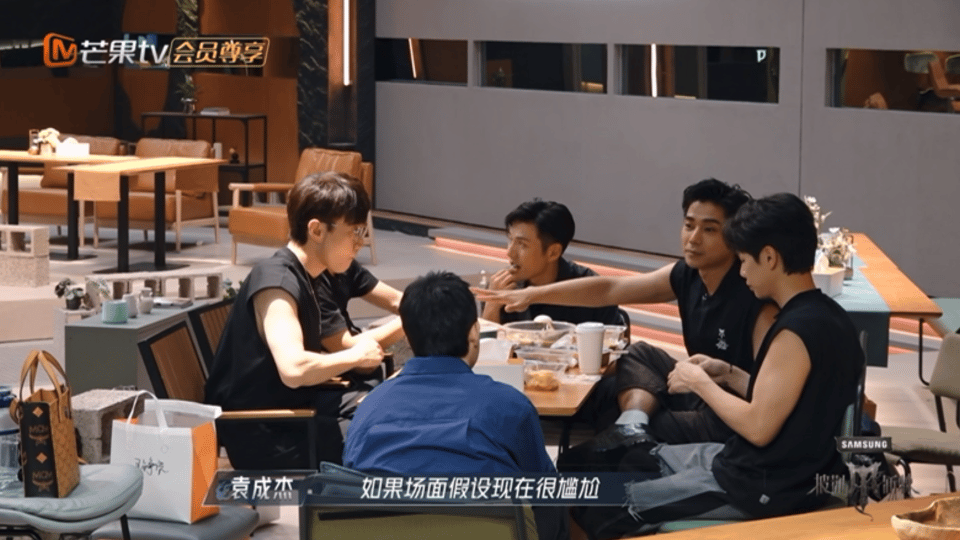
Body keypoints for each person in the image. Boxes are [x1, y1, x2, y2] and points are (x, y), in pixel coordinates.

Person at [572, 192, 863, 537]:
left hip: (761, 487)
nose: (742, 271)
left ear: (769, 257)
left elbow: (759, 426)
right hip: (762, 466)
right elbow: (797, 401)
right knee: (627, 459)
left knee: (598, 504)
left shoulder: (793, 333)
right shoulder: (830, 317)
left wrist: (699, 382)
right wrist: (727, 373)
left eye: (745, 260)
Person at [476, 179, 777, 454]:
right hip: (697, 391)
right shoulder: (687, 274)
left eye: (709, 229)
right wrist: (532, 295)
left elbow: (766, 402)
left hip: (730, 415)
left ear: (734, 237)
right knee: (637, 354)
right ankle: (631, 425)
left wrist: (712, 379)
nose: (693, 238)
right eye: (689, 225)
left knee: (623, 429)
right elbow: (612, 288)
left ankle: (628, 442)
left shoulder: (753, 298)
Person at [343, 271, 566, 540]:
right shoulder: (509, 405)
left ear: (409, 339)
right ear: (474, 333)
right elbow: (544, 494)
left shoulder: (368, 408)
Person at [205, 171, 404, 469]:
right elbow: (293, 368)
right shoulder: (277, 282)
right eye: (354, 232)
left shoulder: (310, 276)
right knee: (386, 440)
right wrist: (355, 356)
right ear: (317, 230)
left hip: (292, 411)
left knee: (387, 409)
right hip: (266, 434)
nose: (360, 243)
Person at [481, 199, 623, 326]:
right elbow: (484, 346)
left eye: (522, 245)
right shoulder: (501, 287)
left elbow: (614, 343)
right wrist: (492, 305)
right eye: (510, 240)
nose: (510, 252)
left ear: (553, 252)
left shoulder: (592, 289)